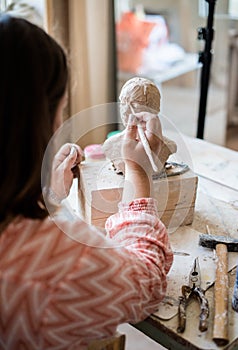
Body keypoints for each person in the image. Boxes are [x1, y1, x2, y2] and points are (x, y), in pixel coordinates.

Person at [0, 14, 173, 350]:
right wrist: (137, 171)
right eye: (61, 110)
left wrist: (48, 197)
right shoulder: (58, 263)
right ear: (35, 123)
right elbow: (148, 282)